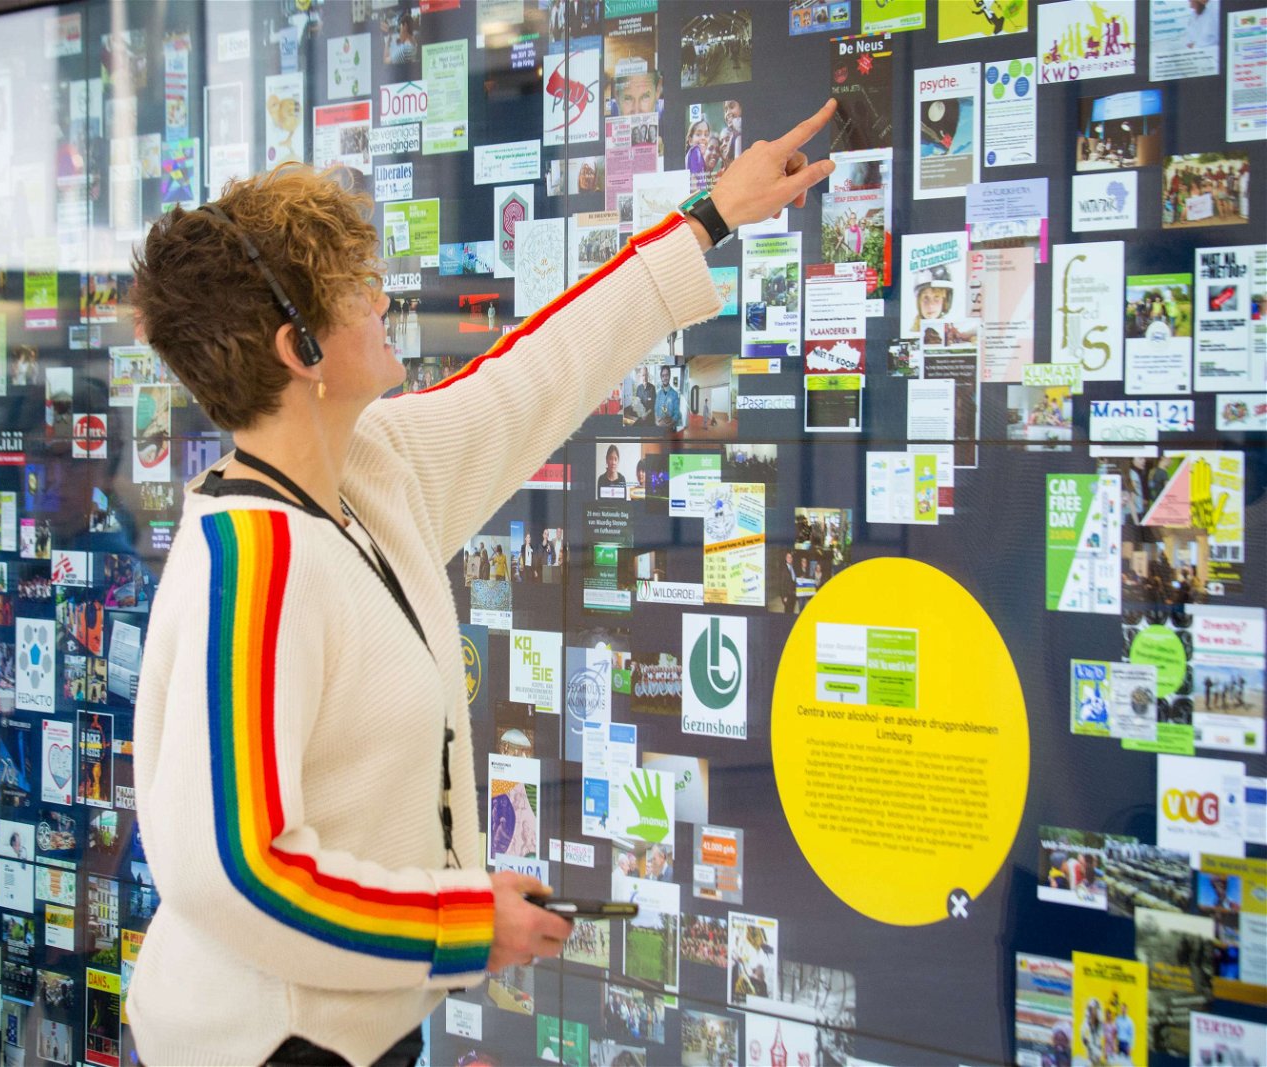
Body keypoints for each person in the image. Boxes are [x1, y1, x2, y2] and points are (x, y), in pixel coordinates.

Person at [128, 101, 837, 1066]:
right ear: (300, 352)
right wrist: (459, 922)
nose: (383, 301)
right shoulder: (252, 565)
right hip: (269, 1046)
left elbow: (535, 374)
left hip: (357, 1025)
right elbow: (236, 875)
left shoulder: (367, 470)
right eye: (358, 290)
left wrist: (711, 217)